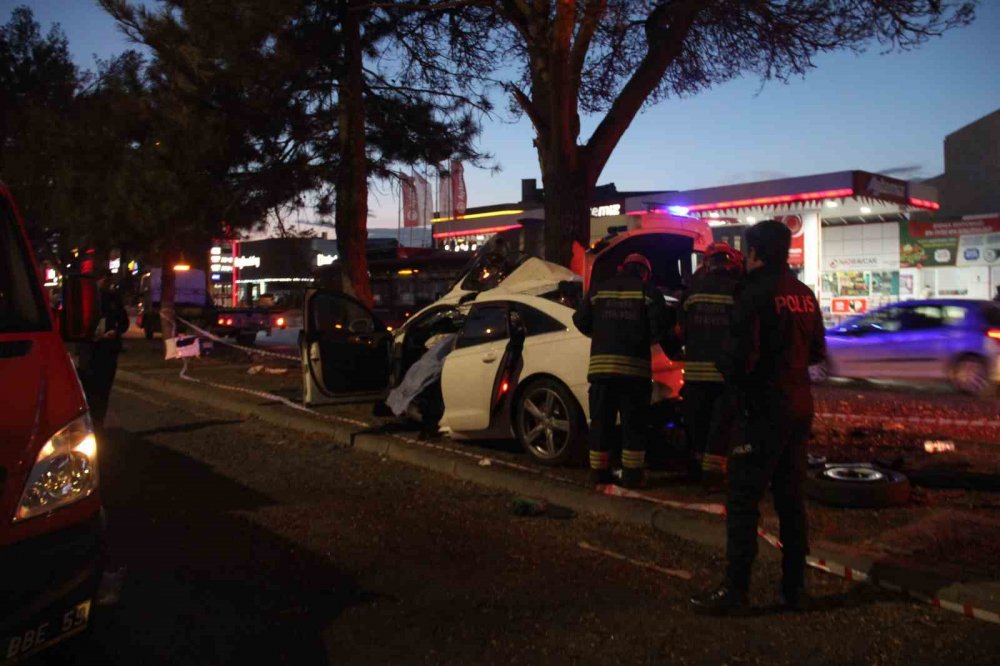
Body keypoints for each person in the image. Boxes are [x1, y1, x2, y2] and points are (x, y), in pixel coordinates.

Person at [691, 220, 826, 615]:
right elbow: (817, 351)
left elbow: (739, 358)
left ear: (754, 253)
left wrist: (728, 371)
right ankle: (794, 590)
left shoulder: (751, 294)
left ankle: (735, 592)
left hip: (762, 411)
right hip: (800, 407)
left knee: (744, 501)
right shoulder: (803, 294)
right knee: (791, 502)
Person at [573, 253, 669, 488]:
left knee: (601, 424)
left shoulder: (598, 290)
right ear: (645, 273)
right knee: (633, 425)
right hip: (634, 374)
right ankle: (632, 476)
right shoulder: (648, 292)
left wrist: (602, 332)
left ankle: (598, 473)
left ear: (622, 267)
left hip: (601, 372)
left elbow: (580, 321)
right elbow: (660, 329)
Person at [678, 242, 744, 483]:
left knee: (698, 426)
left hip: (695, 374)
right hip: (725, 374)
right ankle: (714, 478)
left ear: (707, 263)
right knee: (722, 428)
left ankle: (695, 473)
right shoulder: (738, 290)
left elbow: (681, 329)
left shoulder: (693, 290)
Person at [78, 270, 130, 428]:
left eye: (108, 280)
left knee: (104, 389)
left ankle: (98, 423)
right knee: (88, 389)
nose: (106, 283)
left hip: (108, 350)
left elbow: (124, 322)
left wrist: (116, 331)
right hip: (90, 351)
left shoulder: (114, 299)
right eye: (103, 279)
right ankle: (87, 423)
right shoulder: (86, 299)